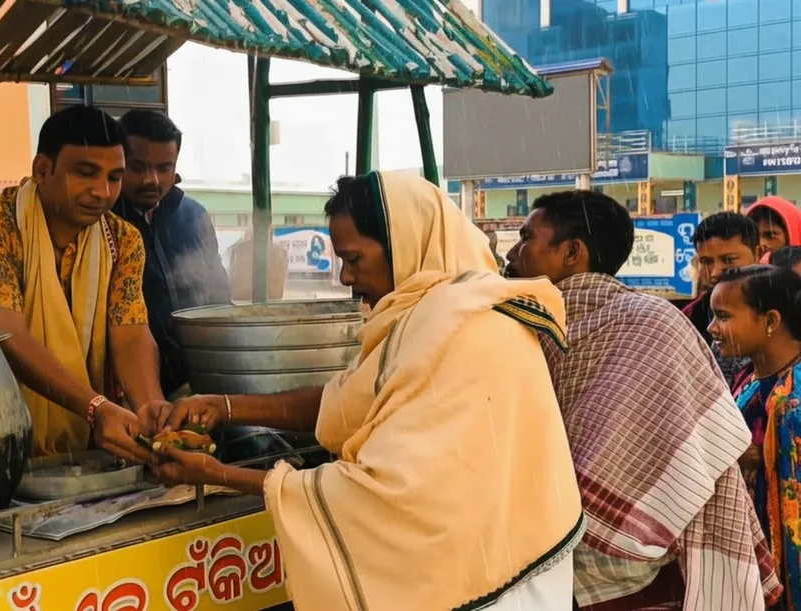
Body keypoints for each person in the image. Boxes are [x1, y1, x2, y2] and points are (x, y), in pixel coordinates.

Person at [141, 170, 583, 610]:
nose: (346, 278)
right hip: (483, 565)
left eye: (353, 259)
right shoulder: (433, 312)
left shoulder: (464, 329)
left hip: (496, 586)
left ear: (404, 246)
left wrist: (215, 474)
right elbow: (347, 401)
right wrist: (224, 406)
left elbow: (379, 494)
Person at [505, 190, 779, 610]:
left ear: (572, 252)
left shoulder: (649, 324)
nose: (514, 251)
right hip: (543, 559)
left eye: (527, 237)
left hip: (625, 564)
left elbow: (707, 446)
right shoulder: (516, 328)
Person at [0, 105, 159, 463]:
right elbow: (1, 332)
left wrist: (152, 409)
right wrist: (94, 407)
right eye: (86, 173)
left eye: (114, 177)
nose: (103, 192)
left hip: (91, 445)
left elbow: (130, 332)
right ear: (42, 170)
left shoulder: (123, 240)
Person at [110, 110, 230, 399]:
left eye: (164, 167)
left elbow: (219, 300)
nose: (152, 180)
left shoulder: (194, 217)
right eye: (138, 167)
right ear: (120, 163)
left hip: (195, 382)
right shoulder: (102, 223)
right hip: (123, 391)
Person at [710, 264, 801, 610]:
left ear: (771, 321)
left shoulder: (793, 398)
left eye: (723, 317)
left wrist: (760, 457)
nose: (713, 328)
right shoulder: (749, 384)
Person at [684, 212, 763, 385]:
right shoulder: (688, 319)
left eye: (728, 260)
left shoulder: (783, 310)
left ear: (758, 254)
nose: (715, 273)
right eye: (706, 261)